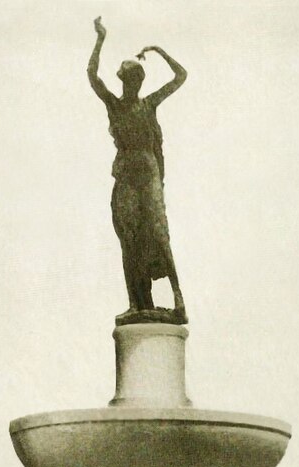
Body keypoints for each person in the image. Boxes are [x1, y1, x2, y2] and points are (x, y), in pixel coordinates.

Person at [88, 17, 187, 323]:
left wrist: (158, 50)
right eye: (127, 79)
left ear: (138, 81)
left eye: (133, 79)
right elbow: (92, 75)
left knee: (158, 232)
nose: (129, 83)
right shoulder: (115, 105)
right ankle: (138, 302)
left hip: (146, 173)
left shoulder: (148, 104)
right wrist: (100, 39)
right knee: (129, 238)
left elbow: (180, 76)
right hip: (126, 175)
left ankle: (178, 301)